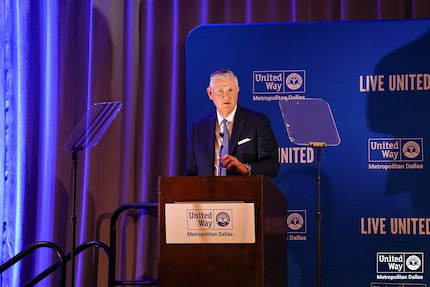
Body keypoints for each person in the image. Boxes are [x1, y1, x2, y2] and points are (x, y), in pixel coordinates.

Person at [185, 69, 279, 177]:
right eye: (220, 91)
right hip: (207, 193)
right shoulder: (199, 128)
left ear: (237, 91)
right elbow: (191, 173)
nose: (226, 96)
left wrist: (245, 168)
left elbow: (272, 166)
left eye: (230, 90)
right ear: (210, 93)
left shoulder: (257, 122)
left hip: (244, 191)